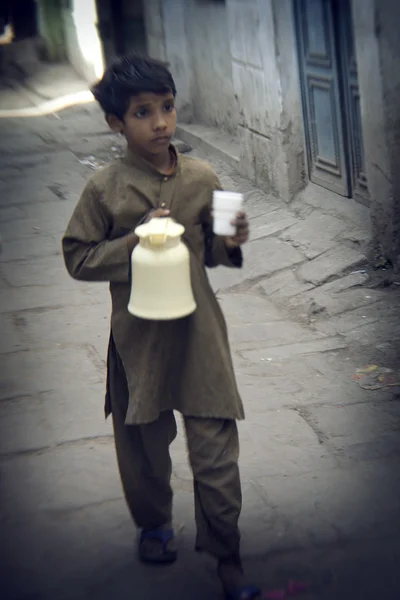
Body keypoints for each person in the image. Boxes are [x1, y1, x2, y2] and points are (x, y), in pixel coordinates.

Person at [62, 54, 260, 600]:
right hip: (138, 341)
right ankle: (155, 524)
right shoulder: (105, 189)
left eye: (167, 108)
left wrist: (231, 239)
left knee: (216, 450)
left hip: (200, 336)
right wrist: (133, 241)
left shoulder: (204, 178)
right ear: (116, 124)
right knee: (145, 450)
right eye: (143, 113)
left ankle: (228, 556)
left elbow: (219, 252)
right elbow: (77, 257)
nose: (160, 123)